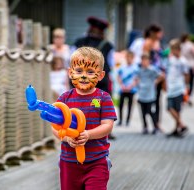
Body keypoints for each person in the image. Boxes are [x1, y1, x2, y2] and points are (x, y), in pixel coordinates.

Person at [53, 47, 117, 190]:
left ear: (100, 75)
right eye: (79, 71)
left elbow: (107, 125)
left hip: (97, 161)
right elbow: (56, 127)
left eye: (90, 72)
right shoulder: (64, 99)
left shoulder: (103, 98)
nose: (83, 76)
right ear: (70, 73)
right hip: (69, 162)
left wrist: (89, 134)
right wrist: (66, 138)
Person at [73, 16, 116, 139]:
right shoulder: (107, 45)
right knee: (98, 105)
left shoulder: (78, 42)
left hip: (80, 82)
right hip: (100, 85)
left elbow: (70, 60)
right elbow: (111, 64)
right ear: (102, 32)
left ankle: (78, 127)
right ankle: (103, 130)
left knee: (79, 104)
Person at [135, 52, 164, 135]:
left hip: (150, 95)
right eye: (142, 60)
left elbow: (162, 76)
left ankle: (155, 126)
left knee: (150, 111)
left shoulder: (152, 69)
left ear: (149, 61)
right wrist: (137, 84)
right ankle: (145, 127)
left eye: (145, 60)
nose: (144, 62)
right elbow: (137, 78)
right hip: (142, 94)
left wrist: (156, 82)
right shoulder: (140, 70)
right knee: (143, 112)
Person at [165, 39, 189, 137]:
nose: (171, 51)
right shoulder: (171, 59)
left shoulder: (183, 61)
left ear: (178, 50)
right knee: (169, 107)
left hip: (179, 88)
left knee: (176, 109)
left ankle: (178, 128)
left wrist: (186, 87)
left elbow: (187, 75)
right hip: (171, 87)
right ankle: (181, 125)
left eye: (173, 49)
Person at [142, 24, 165, 125]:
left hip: (159, 73)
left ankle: (157, 123)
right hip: (151, 74)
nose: (161, 34)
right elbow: (145, 58)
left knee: (158, 99)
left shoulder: (158, 42)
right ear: (154, 33)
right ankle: (151, 122)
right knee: (150, 99)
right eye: (160, 32)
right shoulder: (148, 42)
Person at [117, 51, 137, 127]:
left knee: (130, 105)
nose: (129, 59)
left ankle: (128, 120)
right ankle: (121, 120)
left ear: (133, 58)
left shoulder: (135, 68)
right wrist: (121, 85)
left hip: (131, 90)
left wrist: (131, 86)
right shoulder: (122, 68)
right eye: (127, 57)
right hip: (123, 89)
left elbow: (136, 79)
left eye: (130, 58)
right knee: (120, 105)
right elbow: (119, 77)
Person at [180, 33, 194, 106]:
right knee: (190, 83)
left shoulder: (181, 45)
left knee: (183, 82)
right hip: (190, 65)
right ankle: (188, 97)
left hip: (182, 65)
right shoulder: (190, 45)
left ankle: (184, 96)